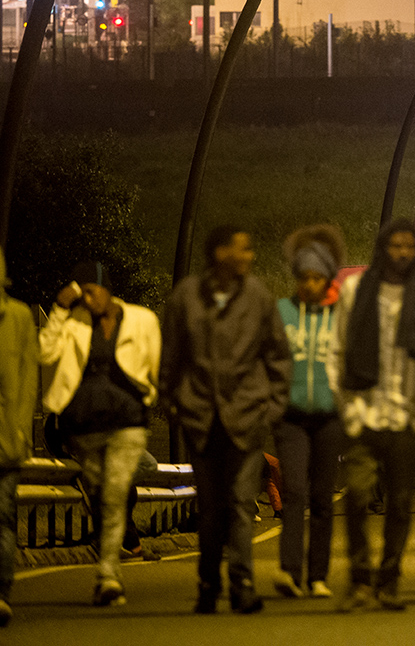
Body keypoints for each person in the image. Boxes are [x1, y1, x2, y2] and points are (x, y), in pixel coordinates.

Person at [161, 226, 291, 614]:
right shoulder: (186, 296)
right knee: (211, 505)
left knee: (239, 501)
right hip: (200, 417)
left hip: (246, 416)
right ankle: (208, 581)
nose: (250, 256)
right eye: (243, 249)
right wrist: (171, 402)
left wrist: (272, 405)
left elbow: (278, 357)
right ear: (219, 253)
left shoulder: (258, 298)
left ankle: (242, 582)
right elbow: (171, 354)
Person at [328, 219, 415, 612]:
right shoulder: (355, 292)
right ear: (383, 249)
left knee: (399, 503)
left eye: (408, 246)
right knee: (358, 496)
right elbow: (337, 349)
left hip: (407, 417)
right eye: (394, 245)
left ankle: (390, 578)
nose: (401, 252)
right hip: (364, 412)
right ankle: (360, 579)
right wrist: (347, 408)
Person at [41, 261, 161, 608]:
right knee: (98, 494)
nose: (87, 300)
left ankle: (108, 574)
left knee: (113, 494)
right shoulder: (72, 321)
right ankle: (108, 564)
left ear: (107, 290)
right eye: (81, 294)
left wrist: (149, 398)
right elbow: (44, 352)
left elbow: (154, 362)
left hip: (127, 421)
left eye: (91, 292)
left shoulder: (141, 320)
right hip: (83, 425)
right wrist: (61, 308)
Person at [272, 225, 346, 600]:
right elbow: (267, 360)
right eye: (305, 278)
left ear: (327, 279)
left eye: (318, 278)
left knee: (321, 497)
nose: (311, 285)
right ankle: (289, 569)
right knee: (295, 491)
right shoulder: (282, 312)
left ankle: (318, 575)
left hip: (330, 417)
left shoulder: (339, 317)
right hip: (291, 417)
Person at [0, 248, 40, 627]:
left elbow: (28, 385)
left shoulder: (18, 318)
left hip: (5, 441)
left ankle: (1, 591)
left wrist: (19, 431)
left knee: (2, 516)